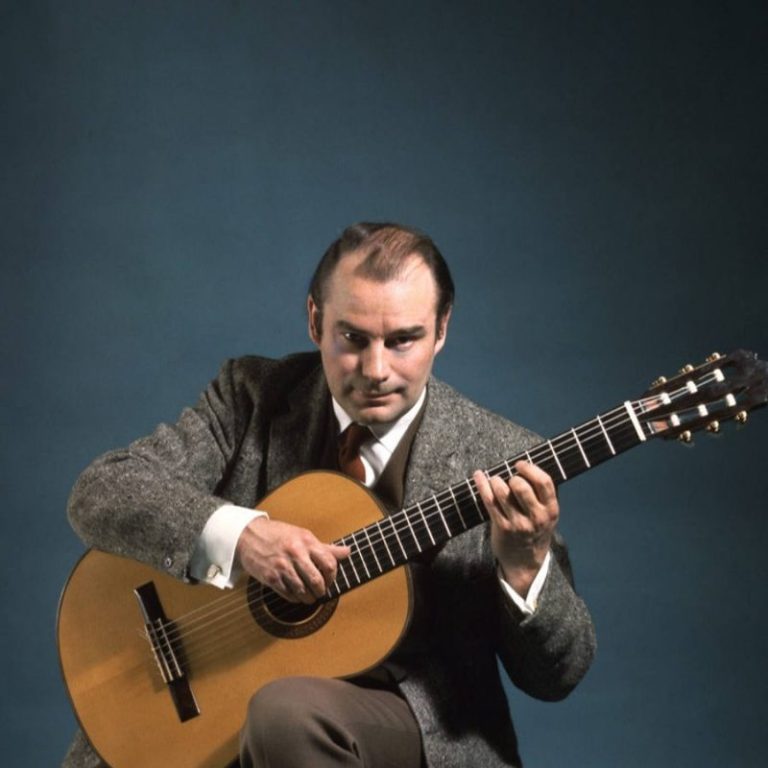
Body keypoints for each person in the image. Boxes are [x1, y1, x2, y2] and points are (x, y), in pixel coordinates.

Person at [63, 222, 596, 768]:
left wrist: (525, 565)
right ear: (316, 321)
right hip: (223, 704)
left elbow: (557, 676)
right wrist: (243, 537)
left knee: (285, 714)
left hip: (412, 730)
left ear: (441, 330)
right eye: (353, 339)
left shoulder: (503, 455)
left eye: (403, 340)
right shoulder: (253, 397)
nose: (376, 370)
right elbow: (102, 489)